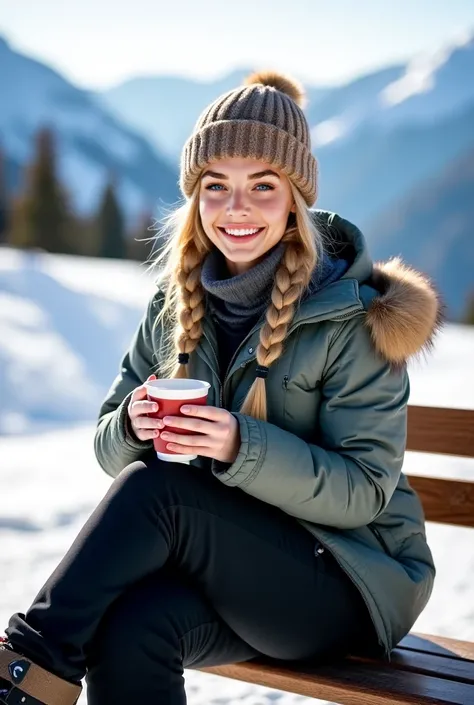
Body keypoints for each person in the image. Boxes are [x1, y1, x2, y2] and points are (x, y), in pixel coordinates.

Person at [1, 71, 440, 705]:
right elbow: (106, 451)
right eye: (217, 186)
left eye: (262, 186)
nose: (237, 208)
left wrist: (241, 447)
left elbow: (365, 493)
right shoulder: (174, 304)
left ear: (295, 198)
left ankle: (27, 672)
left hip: (349, 582)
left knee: (163, 490)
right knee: (130, 628)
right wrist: (131, 424)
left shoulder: (351, 319)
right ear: (195, 198)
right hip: (232, 569)